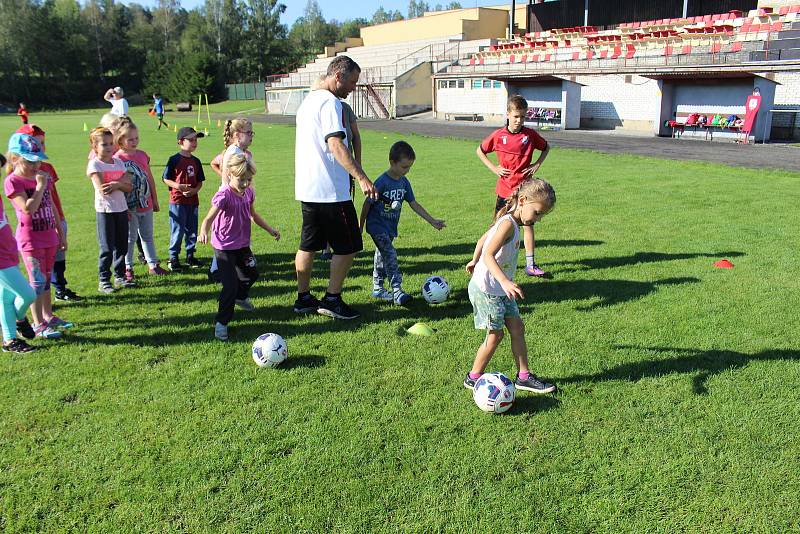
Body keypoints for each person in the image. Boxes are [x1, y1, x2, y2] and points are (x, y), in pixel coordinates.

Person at [293, 55, 378, 321]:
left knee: (308, 245)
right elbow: (336, 145)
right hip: (331, 191)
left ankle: (303, 298)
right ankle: (332, 299)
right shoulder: (330, 103)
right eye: (352, 82)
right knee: (348, 245)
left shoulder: (307, 102)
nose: (354, 87)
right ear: (338, 76)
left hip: (308, 189)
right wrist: (362, 177)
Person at [463, 177, 557, 394]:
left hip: (500, 288)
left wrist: (473, 260)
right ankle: (473, 377)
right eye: (537, 212)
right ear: (523, 200)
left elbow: (481, 241)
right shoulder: (507, 224)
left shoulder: (510, 220)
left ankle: (523, 377)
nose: (538, 219)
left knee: (517, 328)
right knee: (496, 335)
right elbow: (488, 252)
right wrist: (502, 278)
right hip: (488, 289)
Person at [199, 153, 280, 341]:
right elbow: (209, 218)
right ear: (229, 174)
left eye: (248, 179)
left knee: (252, 274)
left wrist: (270, 230)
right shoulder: (224, 195)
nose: (245, 183)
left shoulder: (249, 192)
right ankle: (222, 323)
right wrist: (204, 230)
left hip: (242, 244)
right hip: (224, 247)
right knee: (230, 286)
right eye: (241, 179)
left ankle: (241, 297)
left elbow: (253, 215)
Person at [359, 141, 445, 305]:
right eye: (404, 167)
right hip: (377, 226)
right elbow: (367, 204)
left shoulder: (404, 183)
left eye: (409, 167)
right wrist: (360, 225)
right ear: (392, 162)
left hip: (390, 227)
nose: (407, 171)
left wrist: (432, 221)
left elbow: (414, 204)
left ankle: (378, 288)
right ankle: (397, 290)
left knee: (381, 256)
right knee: (390, 254)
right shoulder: (382, 182)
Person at [477, 95, 550, 277]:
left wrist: (537, 164)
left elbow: (546, 147)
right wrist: (494, 168)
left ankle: (530, 265)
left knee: (528, 225)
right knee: (497, 228)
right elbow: (480, 150)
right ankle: (488, 259)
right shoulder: (498, 135)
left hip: (525, 192)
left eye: (523, 117)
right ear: (508, 114)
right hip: (504, 190)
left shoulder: (530, 135)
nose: (519, 120)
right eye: (516, 116)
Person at [4, 133, 69, 339]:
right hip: (31, 239)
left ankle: (47, 316)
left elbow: (52, 206)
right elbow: (27, 209)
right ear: (15, 159)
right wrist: (40, 187)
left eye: (38, 160)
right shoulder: (13, 181)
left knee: (47, 279)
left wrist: (61, 232)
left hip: (49, 236)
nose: (36, 165)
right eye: (30, 161)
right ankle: (37, 323)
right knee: (36, 282)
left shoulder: (42, 177)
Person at [16, 124, 83, 302]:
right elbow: (26, 206)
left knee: (58, 258)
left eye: (43, 143)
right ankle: (41, 306)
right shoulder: (19, 175)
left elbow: (52, 197)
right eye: (37, 143)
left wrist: (59, 221)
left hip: (55, 216)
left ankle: (60, 289)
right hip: (36, 228)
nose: (41, 147)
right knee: (40, 273)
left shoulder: (48, 168)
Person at [113, 121, 168, 280]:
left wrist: (155, 198)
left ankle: (153, 265)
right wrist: (124, 207)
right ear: (120, 140)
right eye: (130, 139)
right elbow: (119, 184)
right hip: (130, 206)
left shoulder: (142, 155)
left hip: (146, 203)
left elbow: (149, 177)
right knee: (130, 238)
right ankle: (128, 267)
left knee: (147, 235)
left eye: (136, 138)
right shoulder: (118, 159)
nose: (135, 141)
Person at [87, 127, 133, 294]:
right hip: (105, 211)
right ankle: (104, 280)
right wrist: (119, 183)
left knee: (122, 245)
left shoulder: (118, 162)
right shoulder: (95, 164)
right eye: (103, 144)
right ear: (94, 146)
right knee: (107, 247)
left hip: (121, 208)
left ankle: (120, 277)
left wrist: (118, 184)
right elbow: (103, 189)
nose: (108, 147)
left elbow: (129, 186)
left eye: (110, 143)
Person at [208, 119, 255, 282]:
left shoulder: (238, 150)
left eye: (251, 133)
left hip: (238, 197)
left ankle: (221, 269)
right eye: (248, 133)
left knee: (233, 235)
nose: (251, 136)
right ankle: (220, 271)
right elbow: (230, 174)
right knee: (228, 236)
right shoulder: (235, 152)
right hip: (231, 199)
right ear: (237, 135)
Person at [0, 152, 36, 352]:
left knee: (5, 299)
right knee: (28, 294)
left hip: (8, 252)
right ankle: (20, 320)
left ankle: (9, 340)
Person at [162, 127, 205, 271]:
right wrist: (179, 186)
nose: (195, 142)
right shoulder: (174, 159)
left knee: (192, 230)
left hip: (192, 202)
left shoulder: (196, 161)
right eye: (191, 140)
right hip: (177, 201)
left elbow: (200, 182)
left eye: (196, 140)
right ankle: (173, 258)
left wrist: (194, 190)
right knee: (177, 230)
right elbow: (166, 179)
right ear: (180, 141)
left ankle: (190, 255)